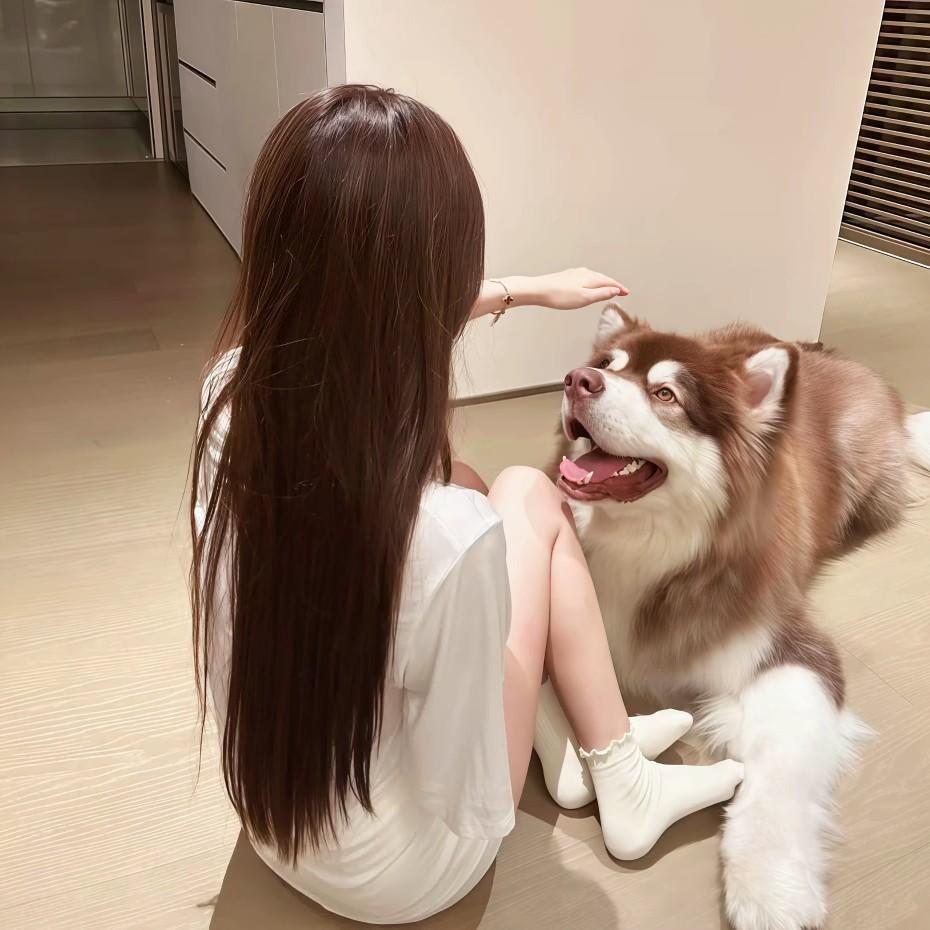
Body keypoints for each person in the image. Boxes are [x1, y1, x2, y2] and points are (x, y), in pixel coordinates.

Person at [191, 85, 743, 926]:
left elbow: (358, 300)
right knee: (526, 495)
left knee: (469, 477)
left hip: (272, 813)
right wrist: (507, 654)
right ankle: (619, 775)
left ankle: (577, 743)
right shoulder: (446, 540)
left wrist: (524, 289)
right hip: (406, 872)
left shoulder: (228, 395)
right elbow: (473, 793)